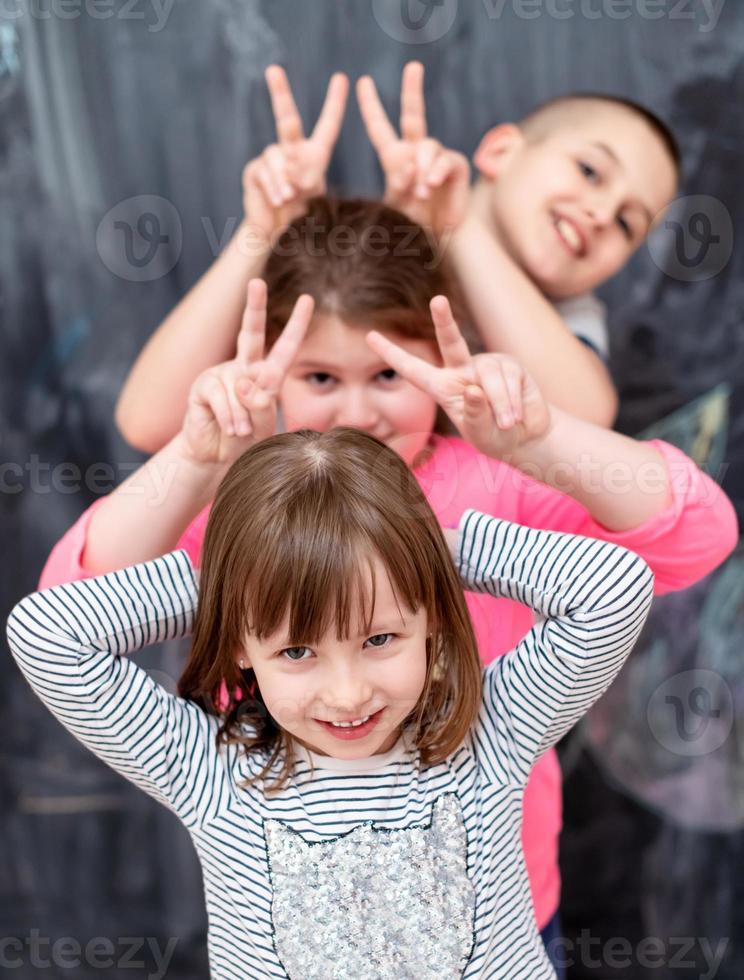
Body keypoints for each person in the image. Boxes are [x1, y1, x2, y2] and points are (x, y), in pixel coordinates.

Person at [38, 224, 738, 977]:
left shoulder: (490, 721)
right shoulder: (243, 524)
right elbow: (65, 615)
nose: (357, 414)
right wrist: (245, 555)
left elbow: (695, 537)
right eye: (319, 380)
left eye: (387, 377)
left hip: (518, 899)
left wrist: (434, 535)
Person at [9, 425, 656, 979]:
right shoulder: (208, 769)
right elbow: (47, 635)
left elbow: (614, 590)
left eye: (379, 639)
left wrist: (426, 555)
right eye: (297, 652)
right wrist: (243, 578)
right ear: (241, 644)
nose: (348, 693)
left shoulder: (491, 732)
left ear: (428, 617)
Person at [112, 63, 678, 453]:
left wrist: (457, 228)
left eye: (629, 223)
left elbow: (582, 420)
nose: (602, 213)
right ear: (501, 151)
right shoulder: (358, 257)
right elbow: (146, 421)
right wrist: (264, 233)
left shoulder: (568, 320)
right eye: (589, 171)